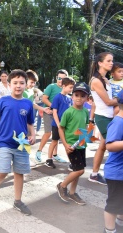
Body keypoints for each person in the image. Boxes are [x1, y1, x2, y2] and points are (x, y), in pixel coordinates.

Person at [0, 69, 35, 215]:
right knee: (3, 170)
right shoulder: (3, 101)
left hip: (22, 143)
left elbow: (30, 122)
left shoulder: (28, 103)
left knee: (20, 173)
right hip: (4, 142)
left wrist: (32, 135)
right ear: (10, 84)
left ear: (26, 85)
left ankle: (17, 201)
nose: (18, 86)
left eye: (21, 83)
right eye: (15, 83)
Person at [56, 82, 90, 205]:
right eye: (76, 95)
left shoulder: (86, 112)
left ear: (87, 98)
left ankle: (72, 192)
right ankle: (62, 185)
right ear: (72, 96)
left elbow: (85, 126)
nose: (79, 98)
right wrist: (65, 145)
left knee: (78, 169)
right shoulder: (68, 112)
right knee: (79, 170)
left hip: (82, 144)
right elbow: (61, 128)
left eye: (82, 95)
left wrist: (86, 138)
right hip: (71, 145)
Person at [89, 52, 117, 185]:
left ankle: (94, 174)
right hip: (104, 118)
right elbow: (108, 102)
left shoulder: (104, 79)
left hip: (109, 116)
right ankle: (113, 175)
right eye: (108, 61)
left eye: (112, 61)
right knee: (113, 146)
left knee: (103, 147)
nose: (111, 63)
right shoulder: (96, 81)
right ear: (100, 63)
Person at [34, 69, 68, 163]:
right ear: (56, 78)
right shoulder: (51, 86)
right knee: (48, 133)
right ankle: (39, 151)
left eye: (63, 78)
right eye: (59, 78)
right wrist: (52, 108)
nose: (60, 80)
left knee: (56, 135)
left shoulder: (65, 89)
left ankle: (55, 155)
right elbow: (44, 99)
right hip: (49, 112)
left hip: (58, 114)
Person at [104, 89, 123, 233]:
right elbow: (110, 145)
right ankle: (109, 230)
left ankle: (120, 221)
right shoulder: (118, 123)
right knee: (113, 204)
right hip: (116, 173)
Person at [45, 77, 75, 169]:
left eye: (72, 88)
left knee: (68, 143)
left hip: (67, 125)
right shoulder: (57, 97)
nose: (71, 89)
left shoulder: (70, 98)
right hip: (57, 125)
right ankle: (49, 159)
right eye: (70, 87)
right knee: (54, 141)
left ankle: (72, 162)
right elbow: (54, 112)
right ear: (63, 86)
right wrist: (58, 124)